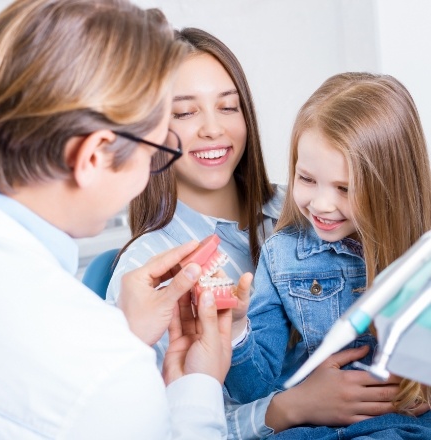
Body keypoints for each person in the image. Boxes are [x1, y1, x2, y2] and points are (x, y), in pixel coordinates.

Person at [106, 30, 413, 439]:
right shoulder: (147, 270)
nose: (213, 129)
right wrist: (290, 407)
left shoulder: (313, 211)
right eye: (184, 113)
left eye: (228, 107)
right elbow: (156, 427)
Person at [0, 1, 235, 438]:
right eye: (154, 151)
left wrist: (121, 331)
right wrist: (197, 389)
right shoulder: (108, 374)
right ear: (93, 156)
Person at [225, 72, 431, 438]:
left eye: (344, 188)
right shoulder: (282, 255)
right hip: (314, 428)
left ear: (391, 185)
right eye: (306, 179)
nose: (320, 204)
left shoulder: (421, 253)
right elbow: (253, 390)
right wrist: (237, 329)